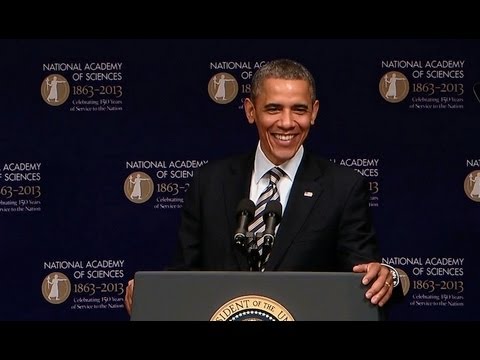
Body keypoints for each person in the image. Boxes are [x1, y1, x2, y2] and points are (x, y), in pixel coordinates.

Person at [124, 58, 403, 316]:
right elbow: (183, 275)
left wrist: (385, 276)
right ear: (250, 110)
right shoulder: (209, 183)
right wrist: (151, 294)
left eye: (299, 110)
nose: (286, 122)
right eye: (273, 108)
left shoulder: (343, 187)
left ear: (314, 112)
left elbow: (364, 276)